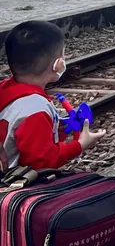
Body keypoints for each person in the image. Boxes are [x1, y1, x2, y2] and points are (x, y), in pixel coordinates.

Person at [0, 21, 105, 170]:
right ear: (57, 64)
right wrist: (80, 145)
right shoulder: (36, 109)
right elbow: (42, 161)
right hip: (17, 180)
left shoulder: (5, 88)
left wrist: (55, 127)